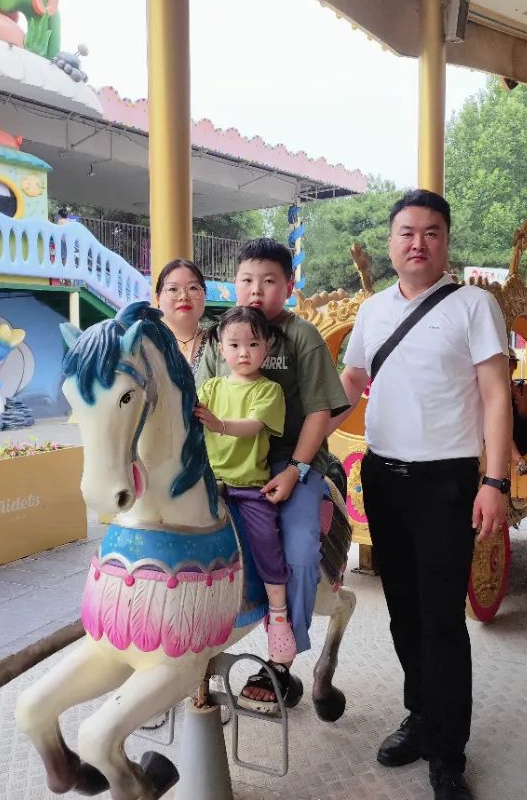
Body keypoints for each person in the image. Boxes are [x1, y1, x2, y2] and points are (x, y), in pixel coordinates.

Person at [332, 189, 512, 800]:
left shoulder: (475, 305)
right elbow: (352, 379)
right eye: (406, 232)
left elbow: (496, 395)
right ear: (391, 242)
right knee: (404, 611)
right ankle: (420, 714)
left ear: (446, 241)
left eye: (431, 232)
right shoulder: (373, 309)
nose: (418, 243)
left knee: (441, 620)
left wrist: (494, 481)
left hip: (447, 483)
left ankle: (447, 753)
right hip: (383, 478)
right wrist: (302, 439)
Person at [196, 238, 350, 712]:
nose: (256, 290)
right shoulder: (220, 334)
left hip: (288, 460)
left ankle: (281, 659)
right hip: (224, 459)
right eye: (247, 280)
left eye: (269, 281)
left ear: (288, 284)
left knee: (299, 545)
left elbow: (321, 410)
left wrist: (297, 470)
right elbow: (198, 405)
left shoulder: (301, 336)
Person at [194, 307, 296, 674]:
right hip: (206, 483)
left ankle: (278, 613)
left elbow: (251, 426)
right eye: (234, 344)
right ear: (220, 349)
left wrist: (218, 423)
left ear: (266, 348)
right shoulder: (210, 387)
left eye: (253, 344)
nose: (243, 352)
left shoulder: (268, 390)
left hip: (248, 485)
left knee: (266, 538)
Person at [156, 259, 209, 370]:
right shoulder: (146, 344)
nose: (184, 296)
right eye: (173, 289)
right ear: (158, 298)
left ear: (205, 296)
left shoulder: (221, 343)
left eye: (193, 288)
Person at [508, 351, 527, 475]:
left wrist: (516, 399)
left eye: (509, 363)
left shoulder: (522, 388)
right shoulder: (488, 388)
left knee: (501, 425)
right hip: (493, 433)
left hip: (520, 432)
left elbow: (525, 415)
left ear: (514, 366)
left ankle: (518, 459)